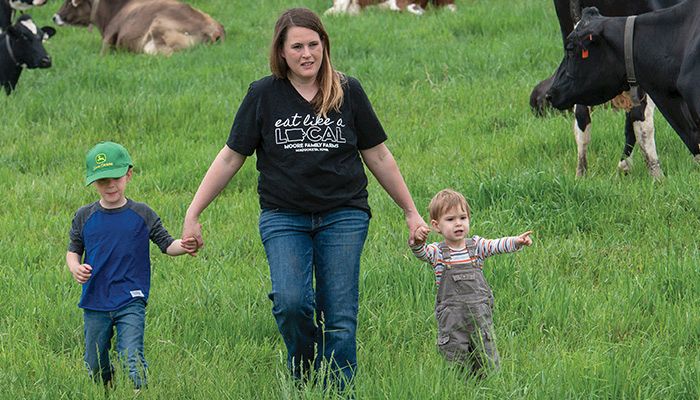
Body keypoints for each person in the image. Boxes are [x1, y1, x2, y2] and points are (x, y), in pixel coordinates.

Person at [181, 7, 426, 390]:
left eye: (314, 44)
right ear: (281, 51)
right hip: (284, 216)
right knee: (291, 303)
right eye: (297, 46)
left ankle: (339, 389)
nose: (307, 54)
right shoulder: (263, 95)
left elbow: (378, 155)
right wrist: (193, 211)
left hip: (343, 214)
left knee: (340, 315)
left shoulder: (348, 90)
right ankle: (304, 371)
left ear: (325, 46)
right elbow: (231, 157)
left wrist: (411, 212)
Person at [66, 141, 197, 389]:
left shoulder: (142, 214)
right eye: (103, 180)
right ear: (93, 182)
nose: (110, 185)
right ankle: (107, 385)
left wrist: (185, 245)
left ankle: (140, 390)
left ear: (128, 174)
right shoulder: (84, 216)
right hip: (95, 300)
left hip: (131, 298)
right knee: (94, 362)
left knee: (131, 355)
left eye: (115, 178)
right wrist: (75, 268)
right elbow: (73, 251)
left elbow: (167, 244)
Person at [410, 189, 532, 376]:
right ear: (436, 225)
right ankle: (458, 383)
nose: (458, 223)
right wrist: (417, 243)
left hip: (479, 314)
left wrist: (516, 241)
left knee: (485, 349)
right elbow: (422, 253)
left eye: (463, 217)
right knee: (454, 353)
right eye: (450, 219)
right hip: (452, 318)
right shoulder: (438, 252)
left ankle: (487, 381)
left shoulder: (477, 246)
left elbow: (496, 245)